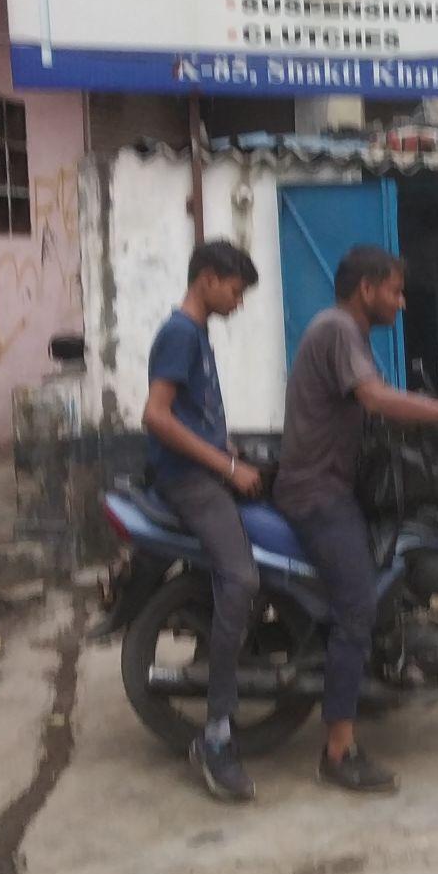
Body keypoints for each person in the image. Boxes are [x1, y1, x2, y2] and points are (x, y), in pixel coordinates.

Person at [272, 245, 438, 797]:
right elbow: (376, 400)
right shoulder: (337, 330)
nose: (401, 303)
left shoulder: (348, 333)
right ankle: (337, 752)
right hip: (318, 494)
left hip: (338, 484)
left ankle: (370, 678)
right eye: (395, 292)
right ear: (367, 288)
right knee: (358, 606)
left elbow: (373, 409)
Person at [141, 240, 264, 805]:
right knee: (241, 579)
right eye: (235, 291)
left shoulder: (195, 333)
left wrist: (230, 450)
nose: (238, 302)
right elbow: (156, 416)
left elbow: (196, 414)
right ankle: (215, 736)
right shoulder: (180, 333)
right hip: (188, 481)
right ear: (208, 279)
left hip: (206, 469)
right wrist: (226, 467)